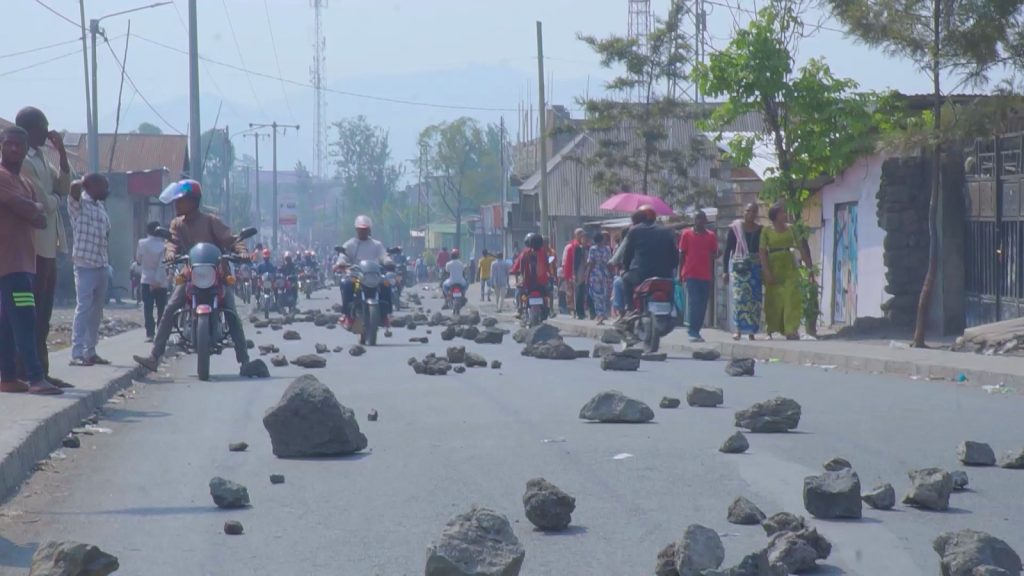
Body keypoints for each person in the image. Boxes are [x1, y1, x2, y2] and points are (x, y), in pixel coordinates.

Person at [134, 179, 253, 375]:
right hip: (191, 273)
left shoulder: (210, 221)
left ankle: (245, 361)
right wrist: (170, 253)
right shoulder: (177, 224)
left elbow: (231, 240)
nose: (176, 204)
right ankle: (154, 356)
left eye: (181, 201)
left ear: (193, 201)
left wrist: (242, 252)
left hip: (217, 273)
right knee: (171, 307)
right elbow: (172, 242)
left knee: (231, 311)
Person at [0, 126, 61, 395]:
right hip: (9, 262)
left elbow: (42, 217)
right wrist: (32, 208)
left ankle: (8, 377)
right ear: (1, 145)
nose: (14, 149)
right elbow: (26, 208)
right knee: (26, 318)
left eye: (18, 146)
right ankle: (36, 378)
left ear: (26, 150)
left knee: (7, 324)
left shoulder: (24, 182)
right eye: (9, 144)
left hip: (25, 260)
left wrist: (31, 209)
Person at [15, 107, 72, 389]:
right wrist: (56, 198)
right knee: (30, 313)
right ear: (30, 129)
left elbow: (63, 185)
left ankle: (42, 370)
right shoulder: (23, 160)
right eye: (44, 126)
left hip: (50, 244)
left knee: (44, 314)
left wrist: (61, 152)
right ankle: (27, 371)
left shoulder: (41, 157)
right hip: (34, 246)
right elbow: (43, 199)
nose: (48, 132)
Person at [68, 173, 112, 366]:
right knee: (83, 308)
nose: (107, 191)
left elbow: (107, 233)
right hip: (84, 265)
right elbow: (73, 187)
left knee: (96, 312)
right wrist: (84, 181)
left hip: (101, 265)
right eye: (103, 186)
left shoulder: (100, 207)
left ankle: (90, 351)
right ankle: (77, 353)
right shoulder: (79, 204)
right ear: (92, 186)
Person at [760, 202, 814, 340]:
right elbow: (762, 252)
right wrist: (766, 271)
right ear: (775, 216)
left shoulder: (791, 229)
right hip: (773, 266)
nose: (785, 215)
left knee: (792, 298)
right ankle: (773, 329)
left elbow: (801, 248)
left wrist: (809, 269)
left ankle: (791, 330)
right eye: (782, 212)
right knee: (774, 300)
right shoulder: (766, 230)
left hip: (789, 266)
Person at [619, 206, 678, 321]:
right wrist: (672, 267)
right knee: (670, 287)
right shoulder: (666, 231)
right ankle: (672, 308)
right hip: (664, 273)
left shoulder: (634, 231)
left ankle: (630, 309)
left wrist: (625, 267)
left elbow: (628, 254)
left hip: (641, 274)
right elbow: (675, 255)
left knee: (625, 279)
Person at [335, 215, 392, 329]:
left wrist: (388, 262)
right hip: (357, 277)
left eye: (365, 229)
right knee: (346, 284)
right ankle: (347, 316)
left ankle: (385, 315)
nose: (363, 232)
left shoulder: (376, 244)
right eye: (361, 229)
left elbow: (383, 256)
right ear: (356, 230)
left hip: (374, 276)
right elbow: (343, 256)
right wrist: (340, 263)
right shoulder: (350, 244)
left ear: (369, 230)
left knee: (386, 284)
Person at [723, 203, 764, 340]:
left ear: (757, 213)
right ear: (743, 212)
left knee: (755, 300)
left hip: (755, 269)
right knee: (739, 299)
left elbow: (763, 251)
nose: (750, 214)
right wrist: (725, 271)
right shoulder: (735, 229)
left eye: (753, 211)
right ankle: (738, 329)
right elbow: (727, 250)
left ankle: (752, 331)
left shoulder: (760, 230)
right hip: (740, 269)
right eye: (748, 211)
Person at [678, 210, 718, 343]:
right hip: (691, 274)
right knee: (695, 302)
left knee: (702, 304)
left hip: (705, 275)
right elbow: (682, 255)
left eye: (702, 219)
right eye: (697, 219)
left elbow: (714, 254)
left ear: (705, 221)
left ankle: (697, 329)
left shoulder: (711, 236)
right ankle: (692, 330)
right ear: (694, 220)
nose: (700, 221)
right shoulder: (686, 234)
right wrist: (680, 274)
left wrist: (718, 255)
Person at [137, 221, 169, 342]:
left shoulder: (142, 243)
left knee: (148, 307)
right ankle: (160, 332)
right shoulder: (164, 245)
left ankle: (150, 333)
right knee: (161, 308)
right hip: (161, 281)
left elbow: (139, 259)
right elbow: (163, 264)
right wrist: (157, 280)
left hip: (146, 279)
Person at [510, 233, 551, 313]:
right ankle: (548, 308)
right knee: (548, 293)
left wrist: (513, 271)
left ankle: (520, 308)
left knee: (519, 291)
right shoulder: (543, 253)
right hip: (542, 283)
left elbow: (518, 266)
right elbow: (547, 266)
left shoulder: (525, 253)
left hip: (528, 283)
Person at [585, 231, 613, 324]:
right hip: (605, 274)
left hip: (595, 274)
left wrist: (587, 276)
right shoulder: (607, 249)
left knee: (596, 295)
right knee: (604, 295)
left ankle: (600, 315)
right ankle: (604, 314)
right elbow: (610, 263)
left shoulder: (593, 249)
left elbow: (591, 263)